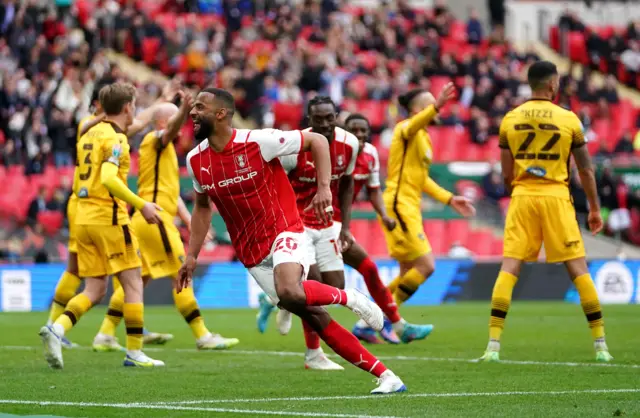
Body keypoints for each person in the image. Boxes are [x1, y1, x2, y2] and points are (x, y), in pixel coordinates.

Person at [180, 87, 406, 393]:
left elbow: (316, 140)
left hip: (284, 230)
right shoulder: (196, 160)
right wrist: (191, 256)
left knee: (290, 290)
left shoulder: (258, 141)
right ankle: (387, 376)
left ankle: (350, 297)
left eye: (199, 107)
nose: (192, 113)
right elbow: (202, 208)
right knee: (311, 314)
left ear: (220, 114)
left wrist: (325, 188)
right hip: (250, 251)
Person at [479, 61, 613, 363]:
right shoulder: (569, 119)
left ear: (531, 84)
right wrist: (593, 209)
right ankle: (601, 345)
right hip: (556, 197)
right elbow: (586, 170)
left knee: (509, 268)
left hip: (523, 196)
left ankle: (493, 346)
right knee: (578, 270)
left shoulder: (510, 119)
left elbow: (505, 173)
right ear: (552, 85)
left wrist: (521, 187)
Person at [92, 92, 239, 351]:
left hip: (150, 219)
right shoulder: (155, 139)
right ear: (164, 123)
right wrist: (183, 108)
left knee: (137, 281)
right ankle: (203, 336)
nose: (183, 125)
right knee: (182, 276)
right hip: (155, 221)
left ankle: (105, 334)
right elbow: (169, 131)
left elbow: (173, 196)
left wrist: (191, 224)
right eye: (177, 120)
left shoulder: (166, 151)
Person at [44, 80, 179, 350]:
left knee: (94, 285)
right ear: (125, 107)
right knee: (130, 281)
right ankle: (134, 349)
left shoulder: (89, 130)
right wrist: (141, 204)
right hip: (106, 211)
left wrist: (155, 106)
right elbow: (110, 173)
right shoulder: (113, 136)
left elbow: (135, 122)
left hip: (82, 210)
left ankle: (57, 328)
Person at [343, 113, 435, 345]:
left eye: (364, 130)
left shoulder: (370, 154)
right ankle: (272, 298)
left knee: (372, 272)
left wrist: (383, 215)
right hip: (319, 224)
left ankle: (380, 323)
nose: (361, 135)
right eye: (355, 131)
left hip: (338, 226)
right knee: (318, 283)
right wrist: (438, 105)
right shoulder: (335, 154)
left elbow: (373, 190)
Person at [381, 84, 475, 309]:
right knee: (426, 266)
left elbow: (422, 179)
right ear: (418, 111)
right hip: (399, 204)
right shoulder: (405, 128)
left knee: (408, 271)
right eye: (431, 105)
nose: (438, 110)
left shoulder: (424, 138)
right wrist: (437, 105)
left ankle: (370, 314)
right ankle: (385, 319)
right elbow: (412, 125)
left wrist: (450, 199)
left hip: (410, 205)